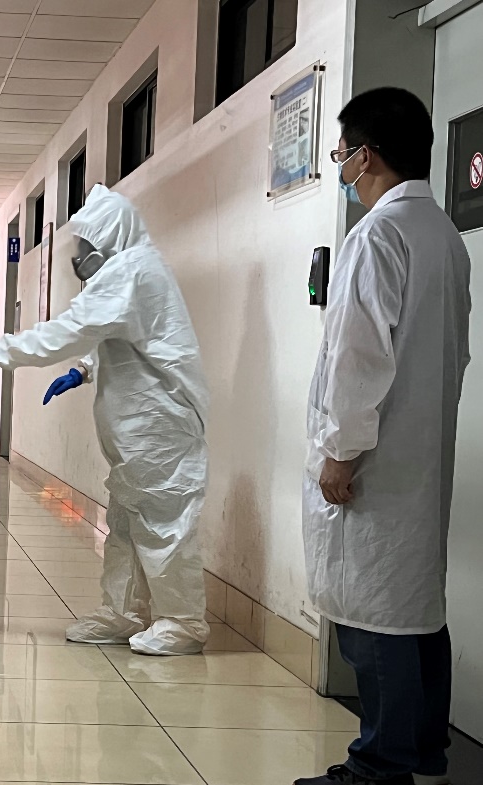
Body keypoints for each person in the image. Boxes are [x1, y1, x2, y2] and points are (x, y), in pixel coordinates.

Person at [296, 88, 471, 785]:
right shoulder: (443, 235)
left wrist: (341, 453)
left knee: (374, 616)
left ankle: (381, 766)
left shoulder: (377, 235)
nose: (340, 166)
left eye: (340, 153)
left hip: (373, 457)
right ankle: (425, 754)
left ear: (365, 156)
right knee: (414, 605)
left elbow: (357, 357)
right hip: (419, 451)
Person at [0, 184, 211, 655]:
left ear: (111, 238)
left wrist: (0, 349)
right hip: (142, 433)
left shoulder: (131, 269)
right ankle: (123, 613)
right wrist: (84, 369)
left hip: (159, 430)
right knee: (128, 526)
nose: (80, 256)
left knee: (163, 525)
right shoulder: (132, 271)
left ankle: (182, 623)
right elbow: (118, 333)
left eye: (87, 244)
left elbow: (75, 327)